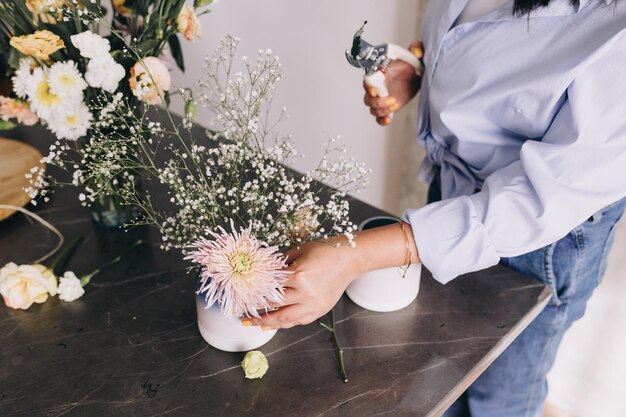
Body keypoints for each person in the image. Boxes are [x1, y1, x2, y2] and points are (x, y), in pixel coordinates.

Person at [245, 0, 626, 415]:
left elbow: (538, 203)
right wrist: (427, 74)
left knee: (497, 397)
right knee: (442, 362)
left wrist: (352, 257)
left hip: (543, 241)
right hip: (455, 193)